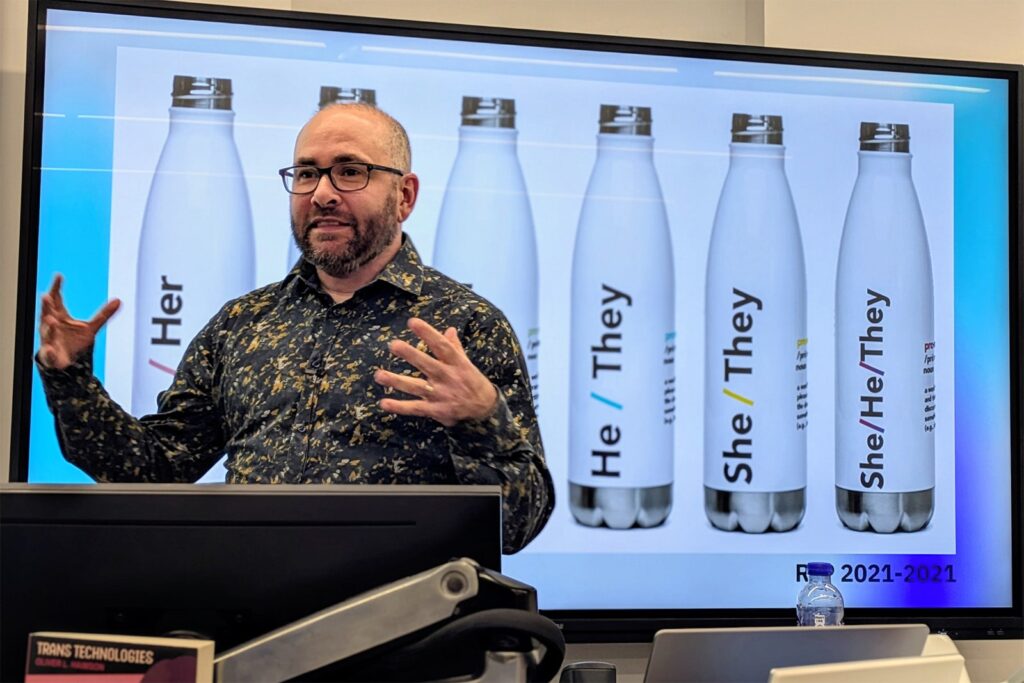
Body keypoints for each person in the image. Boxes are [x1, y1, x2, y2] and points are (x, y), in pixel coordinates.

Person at [36, 103, 554, 553]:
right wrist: (70, 379)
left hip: (404, 624)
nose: (322, 193)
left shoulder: (465, 326)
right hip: (254, 617)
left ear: (405, 195)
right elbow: (155, 471)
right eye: (307, 174)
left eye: (350, 171)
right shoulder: (243, 325)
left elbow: (517, 526)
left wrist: (483, 419)